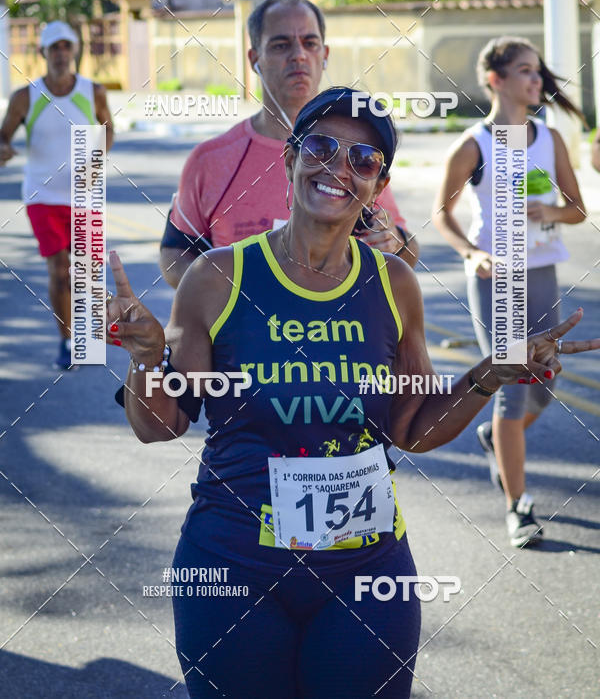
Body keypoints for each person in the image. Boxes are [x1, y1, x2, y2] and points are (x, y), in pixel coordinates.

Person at [107, 86, 597, 698]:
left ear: (377, 185)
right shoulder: (218, 276)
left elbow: (410, 428)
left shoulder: (394, 283)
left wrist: (489, 373)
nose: (340, 167)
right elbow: (161, 423)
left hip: (366, 570)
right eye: (322, 146)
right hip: (234, 563)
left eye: (364, 160)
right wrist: (149, 357)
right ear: (289, 158)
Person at [432, 36, 587, 548]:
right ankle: (518, 507)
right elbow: (442, 215)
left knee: (543, 386)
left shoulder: (549, 138)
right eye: (524, 71)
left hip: (541, 272)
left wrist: (553, 212)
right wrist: (470, 254)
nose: (536, 79)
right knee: (511, 389)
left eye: (537, 71)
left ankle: (498, 441)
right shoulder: (473, 144)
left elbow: (578, 208)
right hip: (497, 280)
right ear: (495, 80)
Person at [159, 0, 419, 288]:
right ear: (255, 59)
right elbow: (174, 253)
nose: (298, 55)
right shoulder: (210, 159)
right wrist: (231, 295)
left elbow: (405, 249)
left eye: (310, 44)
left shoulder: (358, 155)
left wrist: (394, 243)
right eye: (281, 45)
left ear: (325, 55)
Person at [0, 20, 114, 369]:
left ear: (75, 50)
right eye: (55, 48)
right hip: (42, 196)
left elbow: (108, 129)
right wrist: (4, 149)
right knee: (60, 270)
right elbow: (2, 137)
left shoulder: (93, 91)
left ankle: (86, 337)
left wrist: (97, 157)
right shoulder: (25, 97)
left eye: (67, 46)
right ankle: (66, 341)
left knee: (88, 272)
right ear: (43, 53)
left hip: (85, 195)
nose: (61, 54)